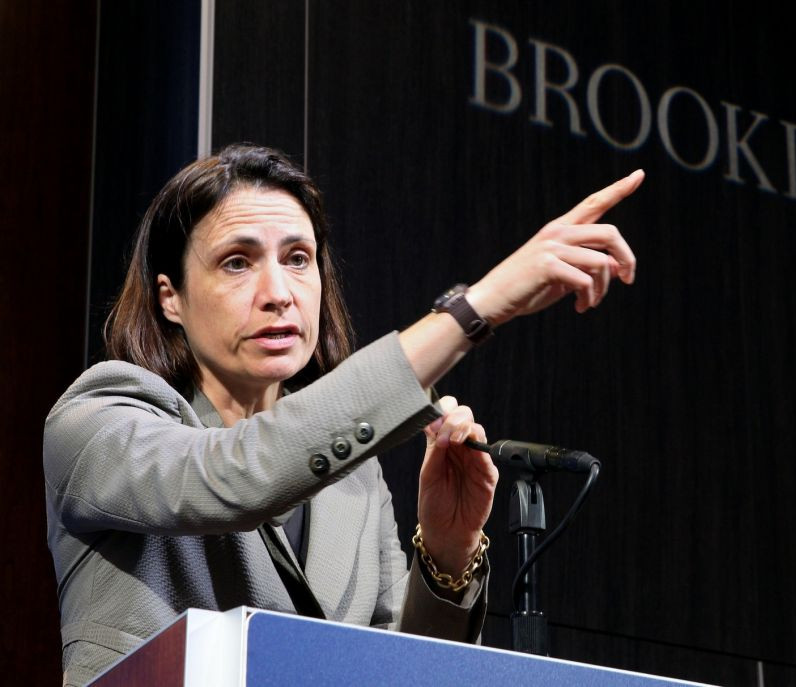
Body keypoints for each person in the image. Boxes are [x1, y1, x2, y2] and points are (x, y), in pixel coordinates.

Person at [43, 144, 643, 686]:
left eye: (298, 258)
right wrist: (474, 309)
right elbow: (233, 475)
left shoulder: (355, 482)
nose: (279, 292)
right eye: (237, 262)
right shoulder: (98, 418)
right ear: (169, 297)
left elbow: (401, 675)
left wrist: (446, 552)